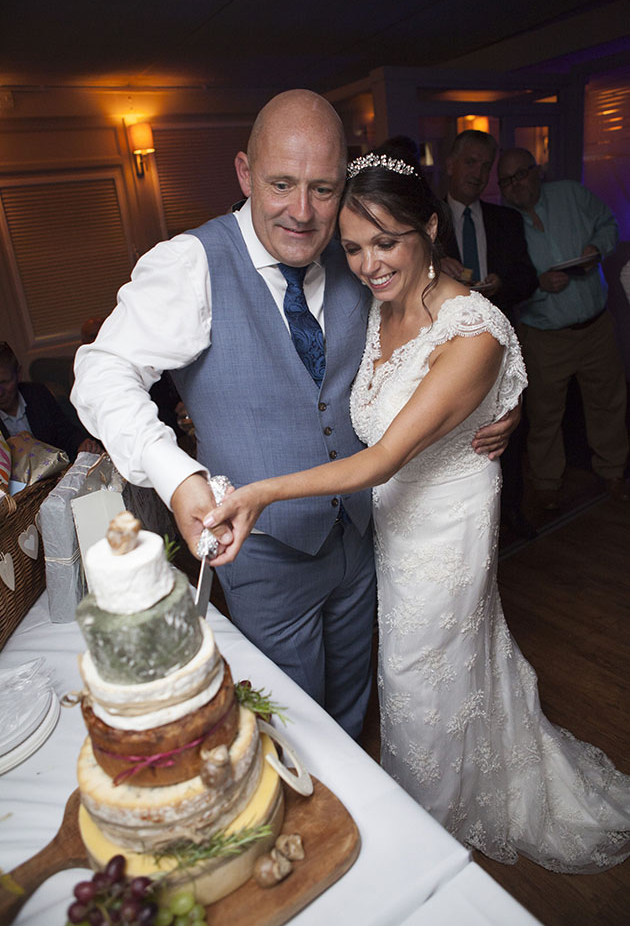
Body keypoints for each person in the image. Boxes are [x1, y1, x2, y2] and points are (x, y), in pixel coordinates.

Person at [205, 154, 630, 873]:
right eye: (354, 247)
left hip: (449, 524)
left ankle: (421, 843)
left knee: (417, 672)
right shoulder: (380, 301)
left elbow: (385, 456)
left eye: (387, 241)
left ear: (428, 229)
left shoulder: (474, 329)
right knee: (430, 667)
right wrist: (507, 403)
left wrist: (258, 491)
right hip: (396, 526)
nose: (369, 264)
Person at [72, 90, 515, 740]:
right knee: (292, 724)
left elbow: (450, 316)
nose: (303, 213)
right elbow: (100, 370)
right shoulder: (191, 264)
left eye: (324, 189)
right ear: (245, 173)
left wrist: (498, 398)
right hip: (264, 556)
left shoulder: (362, 249)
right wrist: (175, 472)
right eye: (281, 184)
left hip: (362, 538)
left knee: (353, 702)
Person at [497, 148, 629, 507]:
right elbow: (510, 284)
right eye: (506, 181)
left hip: (596, 326)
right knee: (543, 414)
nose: (516, 185)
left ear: (537, 171)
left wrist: (595, 247)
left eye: (521, 174)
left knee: (608, 404)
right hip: (544, 336)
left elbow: (609, 223)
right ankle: (546, 482)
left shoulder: (572, 194)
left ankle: (613, 472)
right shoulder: (505, 223)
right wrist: (539, 284)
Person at [442, 130, 539, 538]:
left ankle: (511, 510)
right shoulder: (425, 220)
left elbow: (527, 279)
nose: (478, 174)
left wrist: (502, 284)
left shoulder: (506, 220)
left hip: (499, 346)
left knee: (509, 427)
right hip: (446, 350)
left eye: (486, 167)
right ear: (450, 164)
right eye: (471, 162)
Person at [0, 342, 100, 459]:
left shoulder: (37, 394)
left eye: (4, 382)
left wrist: (82, 444)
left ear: (19, 374)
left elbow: (66, 433)